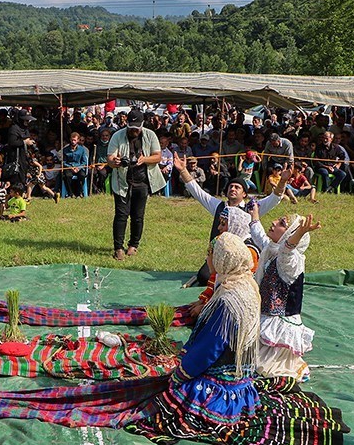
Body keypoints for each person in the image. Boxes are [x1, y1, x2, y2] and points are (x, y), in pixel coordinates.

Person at [123, 232, 349, 445]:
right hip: (243, 384)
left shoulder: (227, 300)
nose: (208, 259)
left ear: (222, 260)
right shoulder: (247, 285)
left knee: (161, 405)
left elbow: (209, 350)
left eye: (210, 254)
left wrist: (181, 374)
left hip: (218, 391)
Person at [174, 152, 287, 287]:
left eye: (237, 187)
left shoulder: (252, 208)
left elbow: (274, 198)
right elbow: (198, 192)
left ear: (244, 194)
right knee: (204, 277)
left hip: (243, 254)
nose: (233, 189)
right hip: (221, 252)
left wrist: (283, 181)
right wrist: (183, 170)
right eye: (231, 187)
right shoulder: (219, 206)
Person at [249, 203, 319, 382]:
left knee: (263, 368)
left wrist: (299, 233)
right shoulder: (272, 249)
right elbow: (260, 237)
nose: (273, 222)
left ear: (289, 234)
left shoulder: (291, 262)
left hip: (279, 324)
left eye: (281, 222)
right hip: (266, 317)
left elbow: (287, 249)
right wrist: (255, 216)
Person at [106, 109, 166, 261]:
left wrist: (144, 159)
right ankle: (118, 248)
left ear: (142, 124)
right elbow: (110, 158)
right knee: (121, 215)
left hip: (143, 181)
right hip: (122, 181)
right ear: (127, 124)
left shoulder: (150, 135)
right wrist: (115, 162)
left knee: (138, 216)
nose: (134, 130)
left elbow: (158, 157)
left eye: (136, 127)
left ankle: (133, 245)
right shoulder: (117, 136)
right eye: (131, 126)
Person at [61, 131, 89, 198]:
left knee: (82, 175)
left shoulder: (82, 149)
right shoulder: (65, 150)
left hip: (78, 167)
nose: (73, 142)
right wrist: (70, 167)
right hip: (69, 167)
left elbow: (84, 161)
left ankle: (79, 193)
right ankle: (70, 193)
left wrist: (78, 168)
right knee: (67, 175)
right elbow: (64, 162)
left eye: (75, 140)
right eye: (72, 140)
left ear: (78, 140)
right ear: (70, 140)